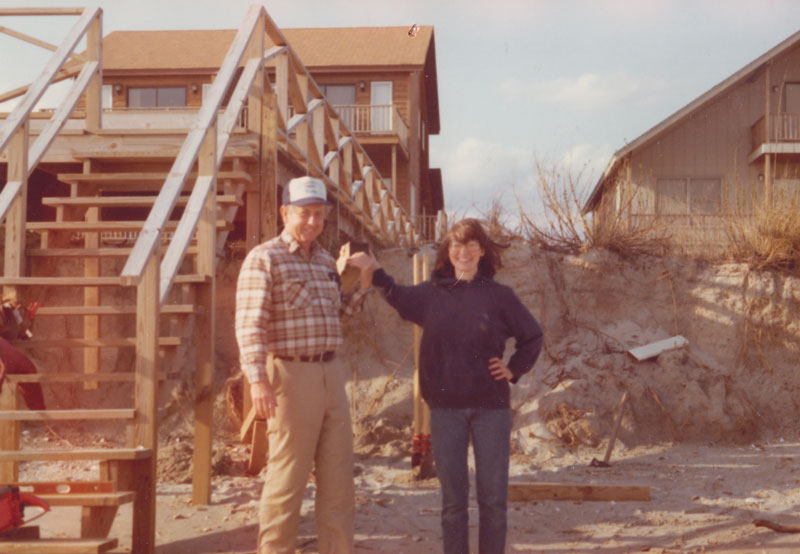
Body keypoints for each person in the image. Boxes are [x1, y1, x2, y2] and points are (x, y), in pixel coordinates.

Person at [353, 218, 543, 554]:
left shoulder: (500, 297)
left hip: (491, 410)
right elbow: (395, 294)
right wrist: (374, 267)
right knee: (454, 503)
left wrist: (513, 369)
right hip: (445, 412)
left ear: (482, 251)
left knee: (493, 501)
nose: (463, 252)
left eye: (471, 245)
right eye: (456, 245)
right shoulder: (431, 294)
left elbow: (532, 336)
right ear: (448, 252)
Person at [235, 175, 376, 554]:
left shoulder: (326, 262)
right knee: (288, 477)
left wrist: (363, 280)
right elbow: (249, 324)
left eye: (319, 214)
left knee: (338, 478)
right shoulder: (264, 257)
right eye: (304, 213)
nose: (312, 221)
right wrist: (258, 382)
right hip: (290, 376)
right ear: (285, 212)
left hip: (331, 374)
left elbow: (338, 314)